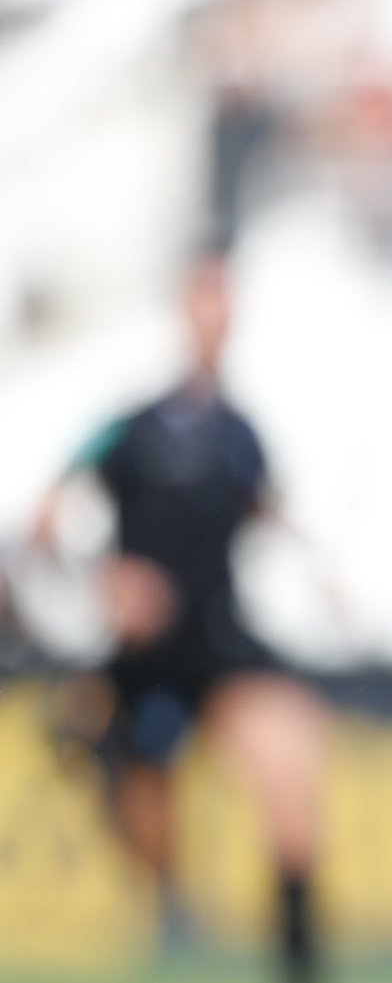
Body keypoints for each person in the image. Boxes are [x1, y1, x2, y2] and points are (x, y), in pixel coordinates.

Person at [29, 252, 327, 983]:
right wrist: (106, 580)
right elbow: (44, 521)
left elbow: (268, 509)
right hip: (146, 652)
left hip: (218, 634)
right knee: (138, 788)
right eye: (205, 297)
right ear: (184, 308)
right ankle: (171, 907)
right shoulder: (129, 427)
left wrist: (323, 575)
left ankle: (297, 957)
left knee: (290, 758)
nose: (215, 314)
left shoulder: (240, 433)